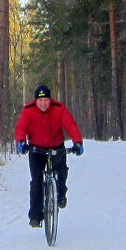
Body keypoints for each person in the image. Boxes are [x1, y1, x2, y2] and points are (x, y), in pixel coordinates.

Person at [14, 84, 84, 227]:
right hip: (36, 150)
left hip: (57, 148)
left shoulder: (59, 109)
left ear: (50, 100)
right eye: (40, 101)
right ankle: (35, 215)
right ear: (36, 101)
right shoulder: (28, 111)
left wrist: (78, 143)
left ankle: (61, 193)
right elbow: (21, 127)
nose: (43, 103)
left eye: (46, 100)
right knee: (36, 181)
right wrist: (21, 142)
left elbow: (70, 125)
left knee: (61, 170)